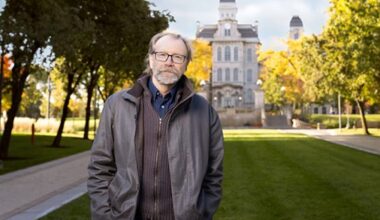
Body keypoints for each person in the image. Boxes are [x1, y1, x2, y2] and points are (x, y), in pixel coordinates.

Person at [87, 32, 224, 220]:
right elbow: (100, 167)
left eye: (177, 57)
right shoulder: (117, 105)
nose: (169, 62)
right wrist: (104, 215)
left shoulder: (204, 112)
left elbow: (214, 175)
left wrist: (199, 213)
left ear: (185, 64)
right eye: (162, 55)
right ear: (151, 59)